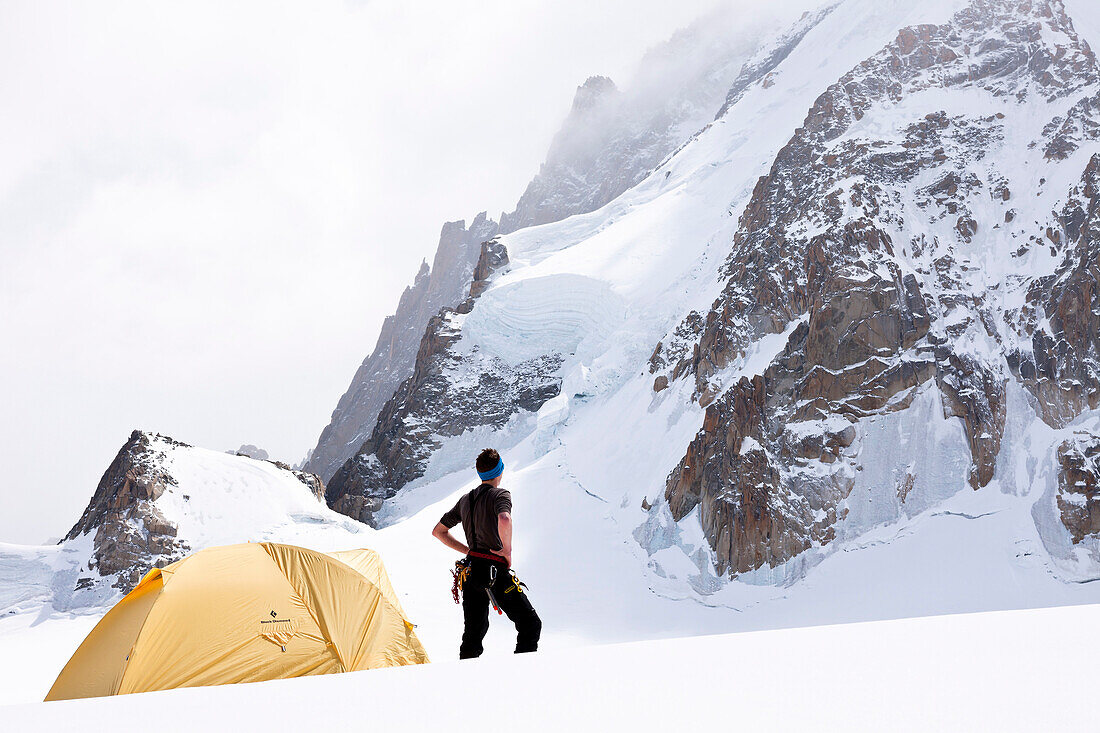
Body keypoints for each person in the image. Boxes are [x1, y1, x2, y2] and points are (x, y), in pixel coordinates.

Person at [431, 448, 541, 658]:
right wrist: (506, 551)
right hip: (495, 572)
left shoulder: (466, 500)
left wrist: (467, 550)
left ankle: (466, 680)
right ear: (500, 470)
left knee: (473, 634)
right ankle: (524, 674)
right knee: (530, 624)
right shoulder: (500, 495)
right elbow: (504, 519)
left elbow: (439, 531)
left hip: (472, 573)